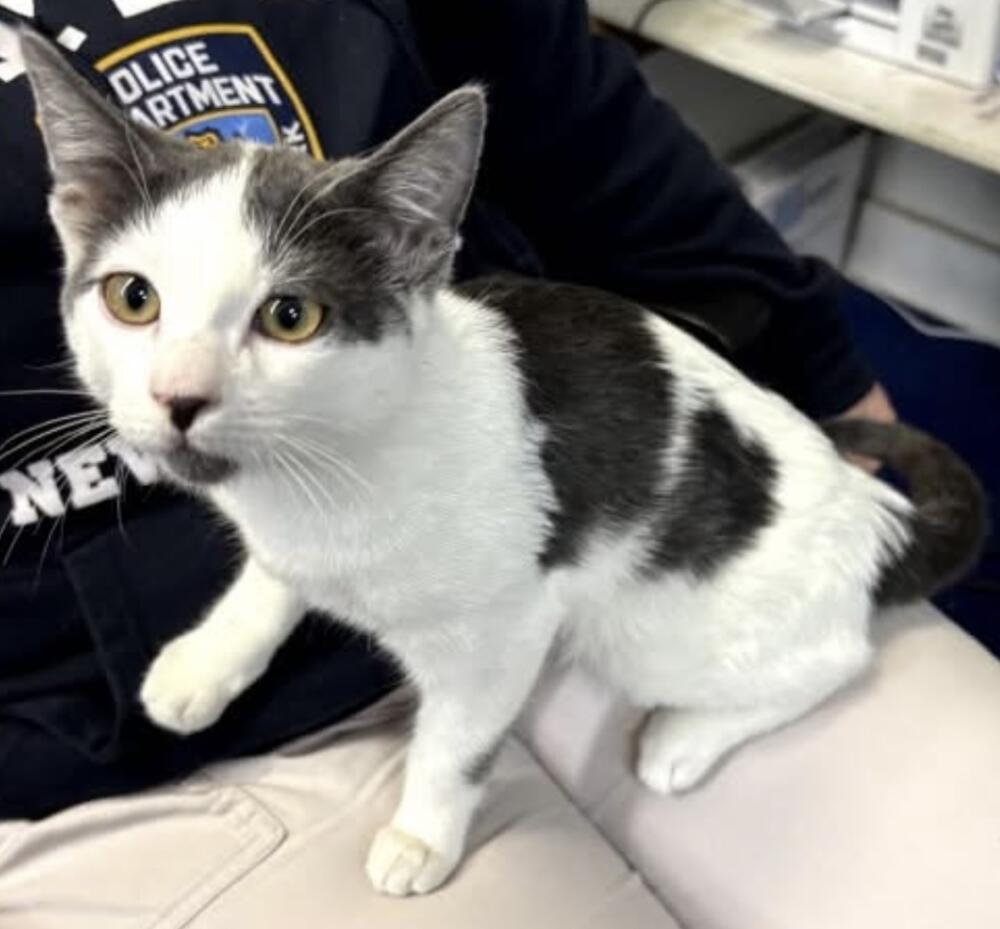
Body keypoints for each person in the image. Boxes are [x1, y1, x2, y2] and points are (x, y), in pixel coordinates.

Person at [0, 0, 894, 922]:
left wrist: (433, 810)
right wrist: (238, 637)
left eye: (288, 315)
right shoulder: (269, 432)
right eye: (136, 297)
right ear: (79, 210)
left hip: (659, 581)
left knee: (697, 689)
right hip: (97, 720)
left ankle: (794, 674)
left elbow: (493, 630)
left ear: (414, 249)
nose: (178, 390)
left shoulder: (435, 477)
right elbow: (294, 530)